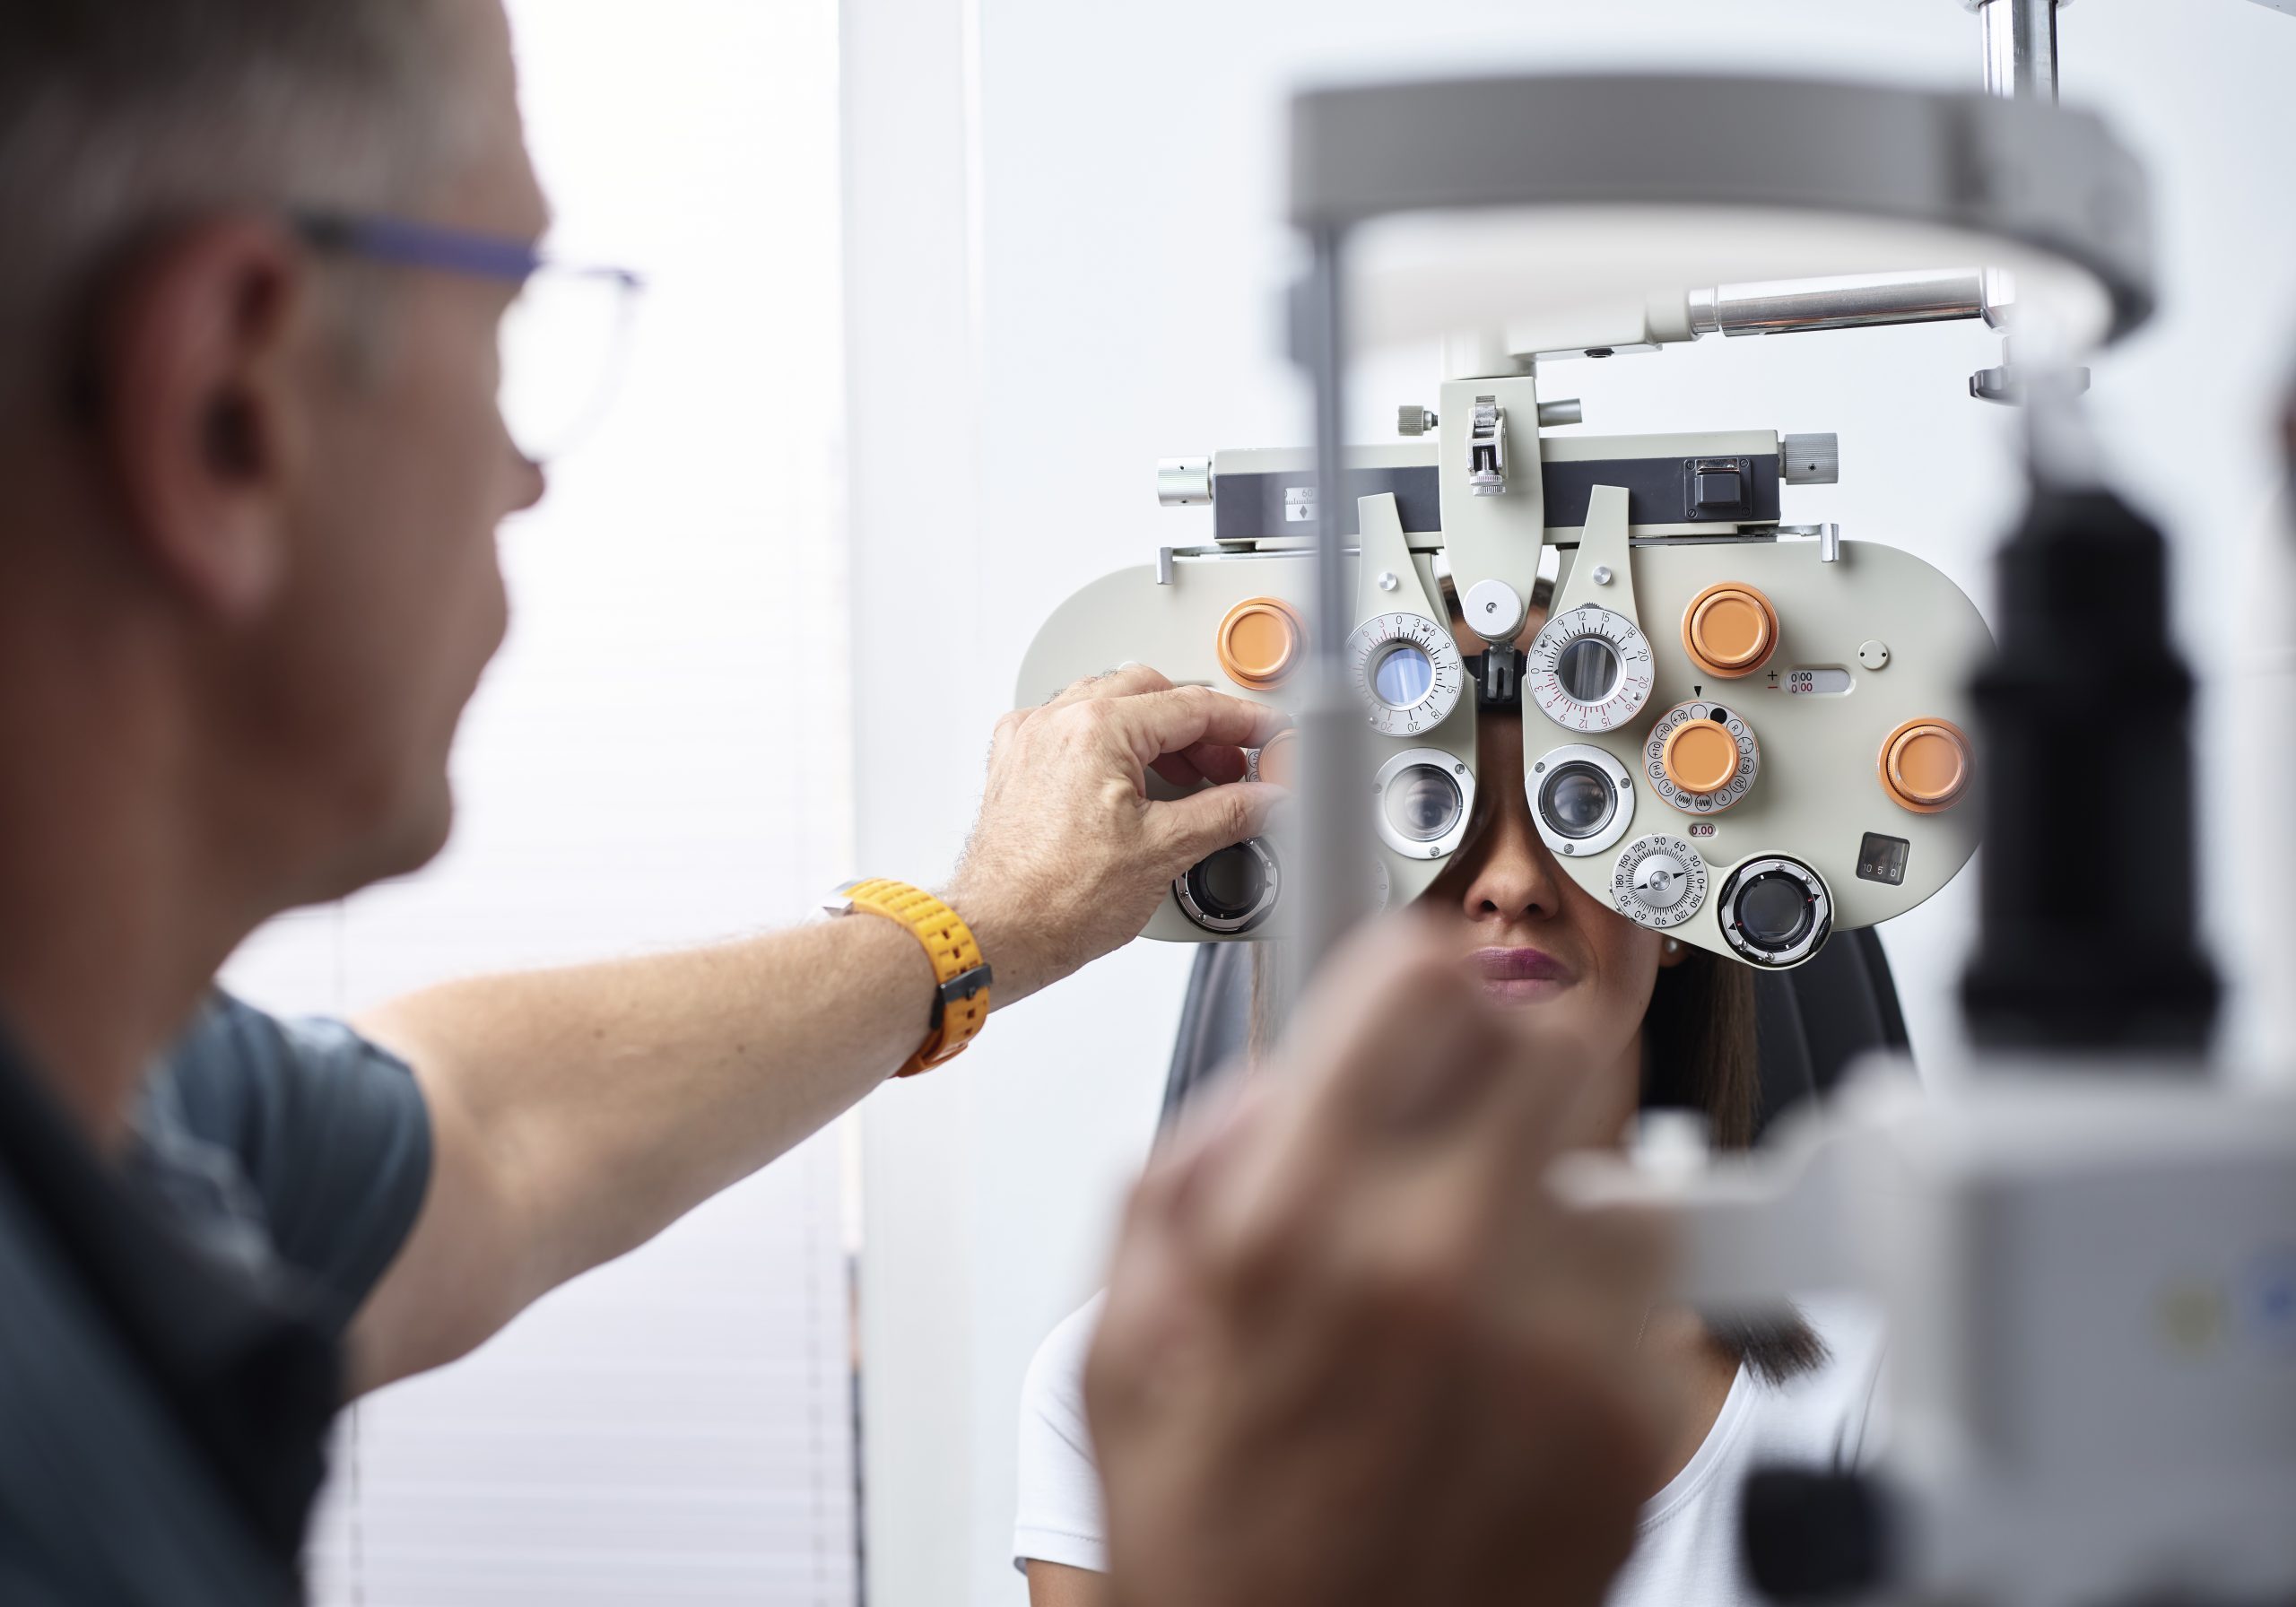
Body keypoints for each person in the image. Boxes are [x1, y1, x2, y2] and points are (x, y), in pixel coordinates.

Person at [0, 4, 1683, 1604]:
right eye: (510, 317)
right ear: (229, 403)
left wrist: (988, 930)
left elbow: (498, 1127)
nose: (525, 471)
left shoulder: (142, 1127)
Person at [1015, 586, 1887, 1607]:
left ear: (1679, 899)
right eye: (1431, 809)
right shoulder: (1138, 1387)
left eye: (1585, 804)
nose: (1511, 879)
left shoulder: (1880, 1382)